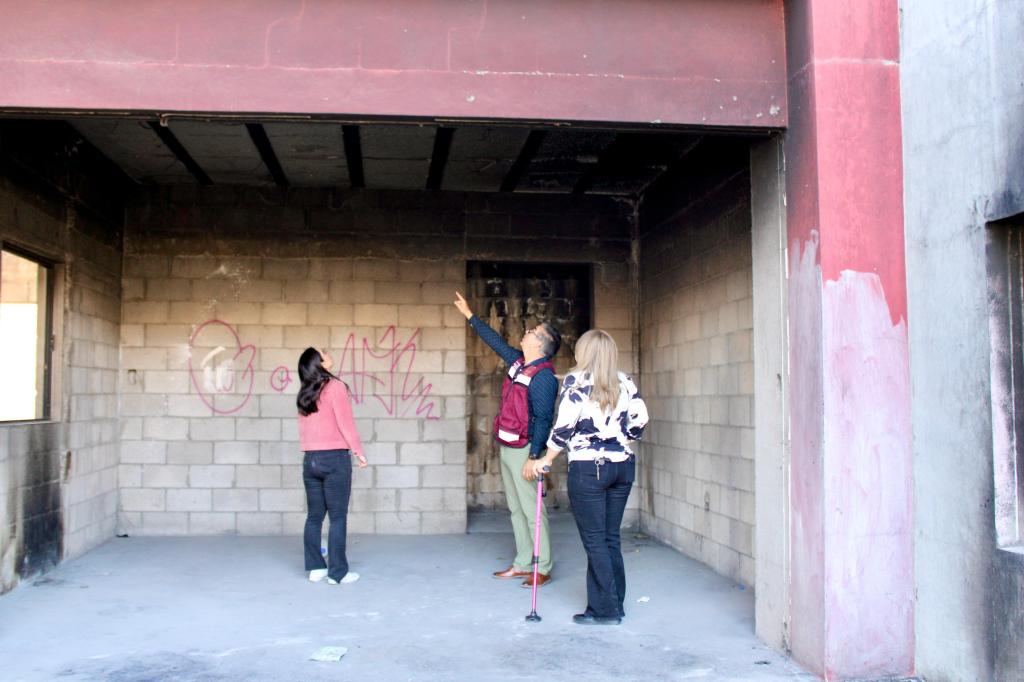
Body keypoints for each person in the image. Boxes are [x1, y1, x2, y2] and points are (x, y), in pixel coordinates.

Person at [525, 329, 649, 624]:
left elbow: (564, 427)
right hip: (622, 465)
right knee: (609, 537)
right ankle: (615, 604)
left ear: (585, 353)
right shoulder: (626, 381)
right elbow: (640, 421)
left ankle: (604, 610)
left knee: (594, 540)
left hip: (588, 469)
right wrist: (620, 439)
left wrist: (546, 459)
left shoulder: (576, 382)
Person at [454, 291, 560, 588]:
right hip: (508, 445)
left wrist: (535, 456)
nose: (527, 333)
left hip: (527, 450)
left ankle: (543, 566)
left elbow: (543, 419)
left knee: (531, 510)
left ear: (541, 344)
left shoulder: (543, 377)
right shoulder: (518, 362)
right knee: (515, 508)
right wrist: (469, 316)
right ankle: (523, 562)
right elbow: (496, 342)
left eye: (533, 332)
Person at [296, 347, 368, 585]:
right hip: (334, 458)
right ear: (321, 363)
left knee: (314, 517)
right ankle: (338, 573)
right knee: (337, 517)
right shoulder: (335, 387)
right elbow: (345, 423)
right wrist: (358, 451)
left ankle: (316, 568)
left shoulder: (305, 391)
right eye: (325, 353)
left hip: (310, 460)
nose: (329, 354)